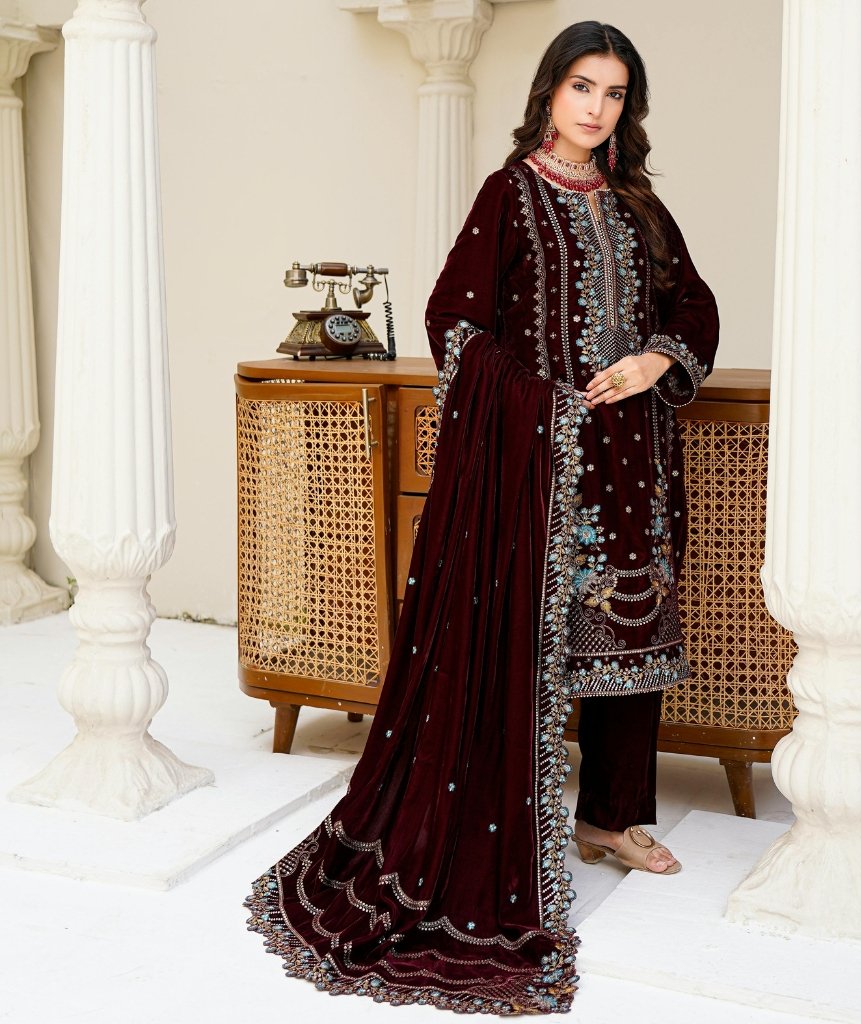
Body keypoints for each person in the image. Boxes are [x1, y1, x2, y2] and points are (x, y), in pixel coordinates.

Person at [244, 20, 718, 1015]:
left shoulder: (640, 206)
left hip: (631, 455)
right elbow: (456, 324)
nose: (596, 108)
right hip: (540, 466)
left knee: (629, 640)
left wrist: (656, 361)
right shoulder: (510, 195)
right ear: (549, 91)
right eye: (581, 87)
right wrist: (541, 405)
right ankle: (523, 821)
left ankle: (611, 816)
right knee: (534, 645)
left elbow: (694, 306)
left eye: (614, 93)